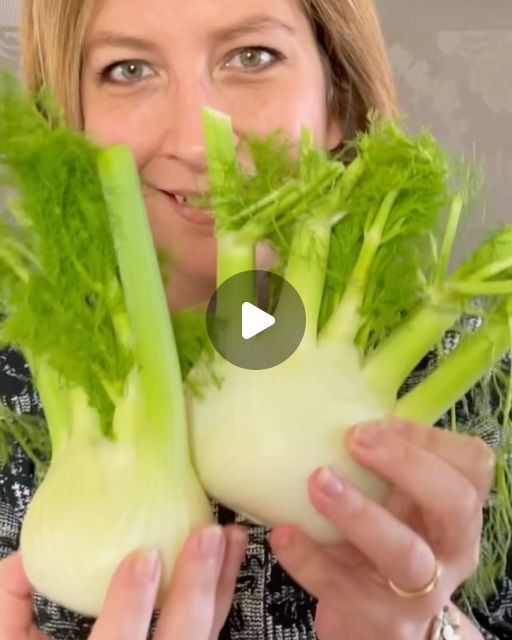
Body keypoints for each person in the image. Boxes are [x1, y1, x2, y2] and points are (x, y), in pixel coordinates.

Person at [0, 0, 510, 638]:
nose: (195, 141)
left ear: (339, 99)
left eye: (252, 56)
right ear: (61, 119)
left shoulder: (485, 388)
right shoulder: (15, 368)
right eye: (127, 68)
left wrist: (428, 628)